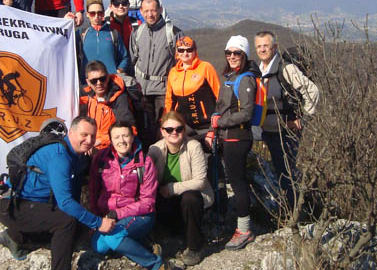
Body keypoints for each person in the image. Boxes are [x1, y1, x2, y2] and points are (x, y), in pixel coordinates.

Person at [0, 116, 115, 270]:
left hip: (35, 206)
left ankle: (17, 238)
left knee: (75, 228)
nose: (89, 140)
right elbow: (65, 202)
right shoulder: (59, 155)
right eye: (84, 135)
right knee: (66, 221)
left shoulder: (78, 157)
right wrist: (98, 223)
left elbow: (74, 194)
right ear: (71, 133)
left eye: (92, 136)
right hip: (14, 207)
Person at [254, 31, 319, 212]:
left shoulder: (286, 69)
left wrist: (304, 119)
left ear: (274, 47)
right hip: (267, 130)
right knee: (279, 171)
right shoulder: (259, 70)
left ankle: (295, 213)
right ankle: (290, 209)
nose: (262, 49)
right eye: (259, 46)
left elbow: (313, 91)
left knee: (287, 173)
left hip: (286, 132)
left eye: (266, 45)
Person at [88, 122, 165, 269]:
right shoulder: (101, 159)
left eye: (125, 136)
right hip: (107, 215)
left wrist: (117, 214)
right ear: (111, 140)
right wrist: (96, 219)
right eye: (116, 137)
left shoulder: (144, 163)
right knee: (99, 247)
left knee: (113, 237)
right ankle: (144, 244)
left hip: (139, 214)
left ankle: (156, 264)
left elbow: (148, 202)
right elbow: (93, 190)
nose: (121, 141)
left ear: (132, 137)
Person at [206, 35, 258, 250]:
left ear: (244, 55)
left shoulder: (245, 79)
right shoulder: (230, 76)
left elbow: (246, 113)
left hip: (238, 137)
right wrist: (214, 127)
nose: (232, 56)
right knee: (234, 181)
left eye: (237, 53)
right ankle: (237, 224)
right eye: (229, 53)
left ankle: (244, 230)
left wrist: (220, 123)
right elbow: (221, 107)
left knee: (238, 183)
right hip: (226, 136)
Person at [147, 111, 214, 266]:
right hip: (166, 199)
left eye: (179, 128)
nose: (174, 132)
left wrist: (172, 188)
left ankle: (195, 246)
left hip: (190, 198)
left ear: (184, 129)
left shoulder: (193, 146)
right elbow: (147, 179)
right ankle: (166, 237)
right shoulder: (155, 150)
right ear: (162, 131)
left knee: (190, 198)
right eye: (169, 129)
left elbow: (200, 181)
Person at [129, 0, 181, 147]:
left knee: (164, 129)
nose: (150, 14)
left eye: (153, 10)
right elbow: (132, 59)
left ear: (160, 10)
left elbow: (181, 63)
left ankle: (163, 158)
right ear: (141, 11)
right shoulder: (137, 32)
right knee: (143, 130)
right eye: (146, 11)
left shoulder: (173, 33)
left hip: (163, 91)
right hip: (142, 90)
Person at [164, 36, 220, 140]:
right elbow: (169, 100)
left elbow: (218, 95)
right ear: (177, 52)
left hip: (206, 126)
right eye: (181, 50)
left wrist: (215, 125)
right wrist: (168, 120)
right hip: (184, 126)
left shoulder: (205, 67)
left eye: (189, 50)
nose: (185, 53)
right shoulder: (173, 72)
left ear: (195, 51)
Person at [80, 61, 135, 150]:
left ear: (108, 77)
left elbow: (129, 129)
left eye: (102, 79)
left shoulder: (119, 98)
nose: (99, 83)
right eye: (94, 81)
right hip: (91, 144)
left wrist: (100, 141)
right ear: (88, 82)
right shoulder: (85, 95)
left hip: (113, 147)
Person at [81, 0, 130, 76]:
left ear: (103, 13)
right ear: (87, 14)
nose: (96, 16)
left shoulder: (113, 33)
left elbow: (124, 57)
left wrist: (118, 71)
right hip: (88, 81)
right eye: (92, 13)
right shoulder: (81, 34)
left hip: (111, 80)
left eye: (99, 13)